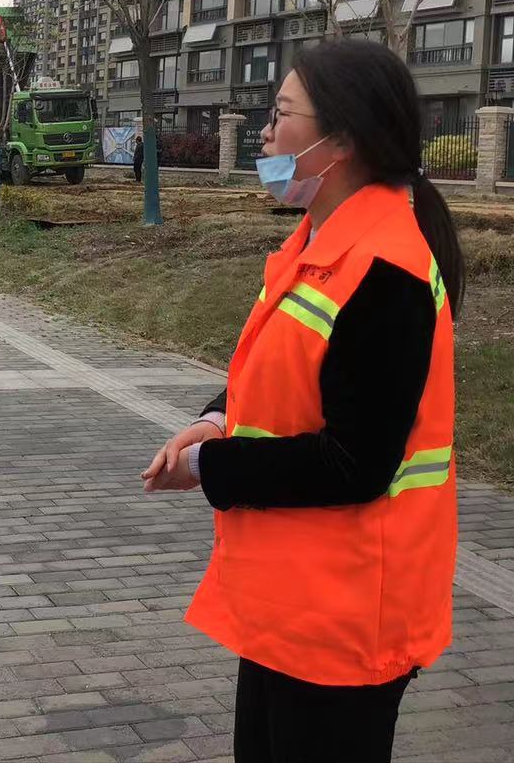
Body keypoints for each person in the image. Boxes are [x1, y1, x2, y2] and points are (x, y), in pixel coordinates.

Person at [140, 38, 464, 762]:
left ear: (341, 141)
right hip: (293, 606)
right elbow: (274, 368)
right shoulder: (322, 244)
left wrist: (213, 469)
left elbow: (356, 461)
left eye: (281, 114)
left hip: (347, 619)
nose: (264, 133)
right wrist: (214, 420)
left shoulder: (387, 270)